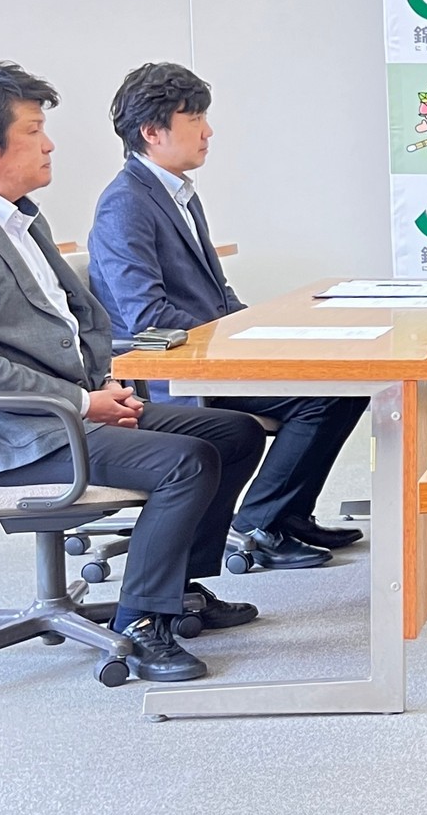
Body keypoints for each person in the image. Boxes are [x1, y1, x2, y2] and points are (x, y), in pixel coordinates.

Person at [0, 63, 267, 681]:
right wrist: (83, 402)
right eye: (33, 130)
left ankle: (178, 591)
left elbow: (79, 320)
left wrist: (102, 387)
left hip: (64, 413)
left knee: (234, 433)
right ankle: (142, 621)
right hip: (15, 436)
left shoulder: (20, 218)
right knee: (187, 462)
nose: (49, 144)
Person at [89, 63, 367, 569]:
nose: (208, 131)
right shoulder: (125, 204)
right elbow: (148, 317)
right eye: (194, 119)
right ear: (152, 132)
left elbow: (218, 296)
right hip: (173, 368)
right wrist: (239, 340)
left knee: (343, 382)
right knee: (325, 394)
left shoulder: (177, 193)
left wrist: (266, 330)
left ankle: (287, 515)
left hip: (210, 352)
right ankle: (260, 523)